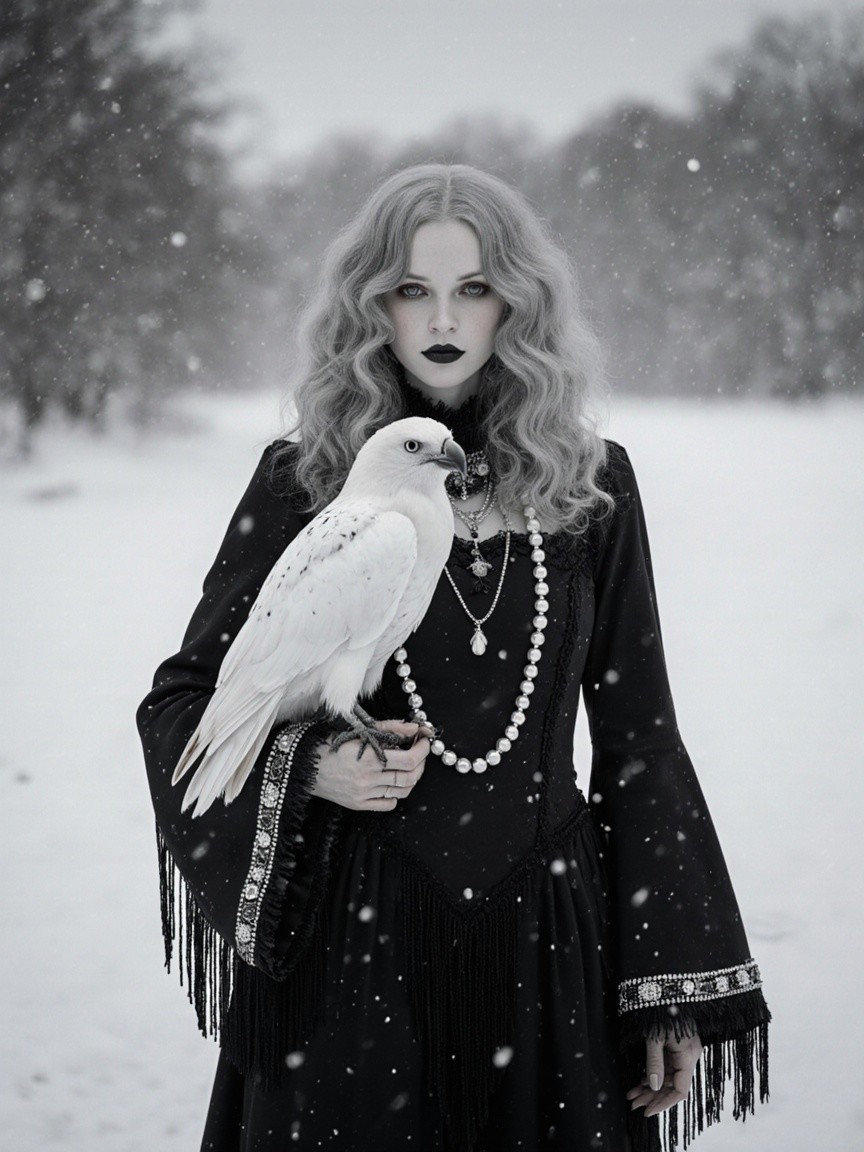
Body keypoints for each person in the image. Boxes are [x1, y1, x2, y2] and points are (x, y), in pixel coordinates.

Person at [137, 164, 770, 1152]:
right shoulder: (304, 482)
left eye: (472, 288)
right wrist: (310, 771)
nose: (443, 317)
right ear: (370, 307)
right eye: (412, 289)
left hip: (551, 955)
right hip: (351, 952)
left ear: (516, 303)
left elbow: (641, 740)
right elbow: (184, 705)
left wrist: (668, 988)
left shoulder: (593, 490)